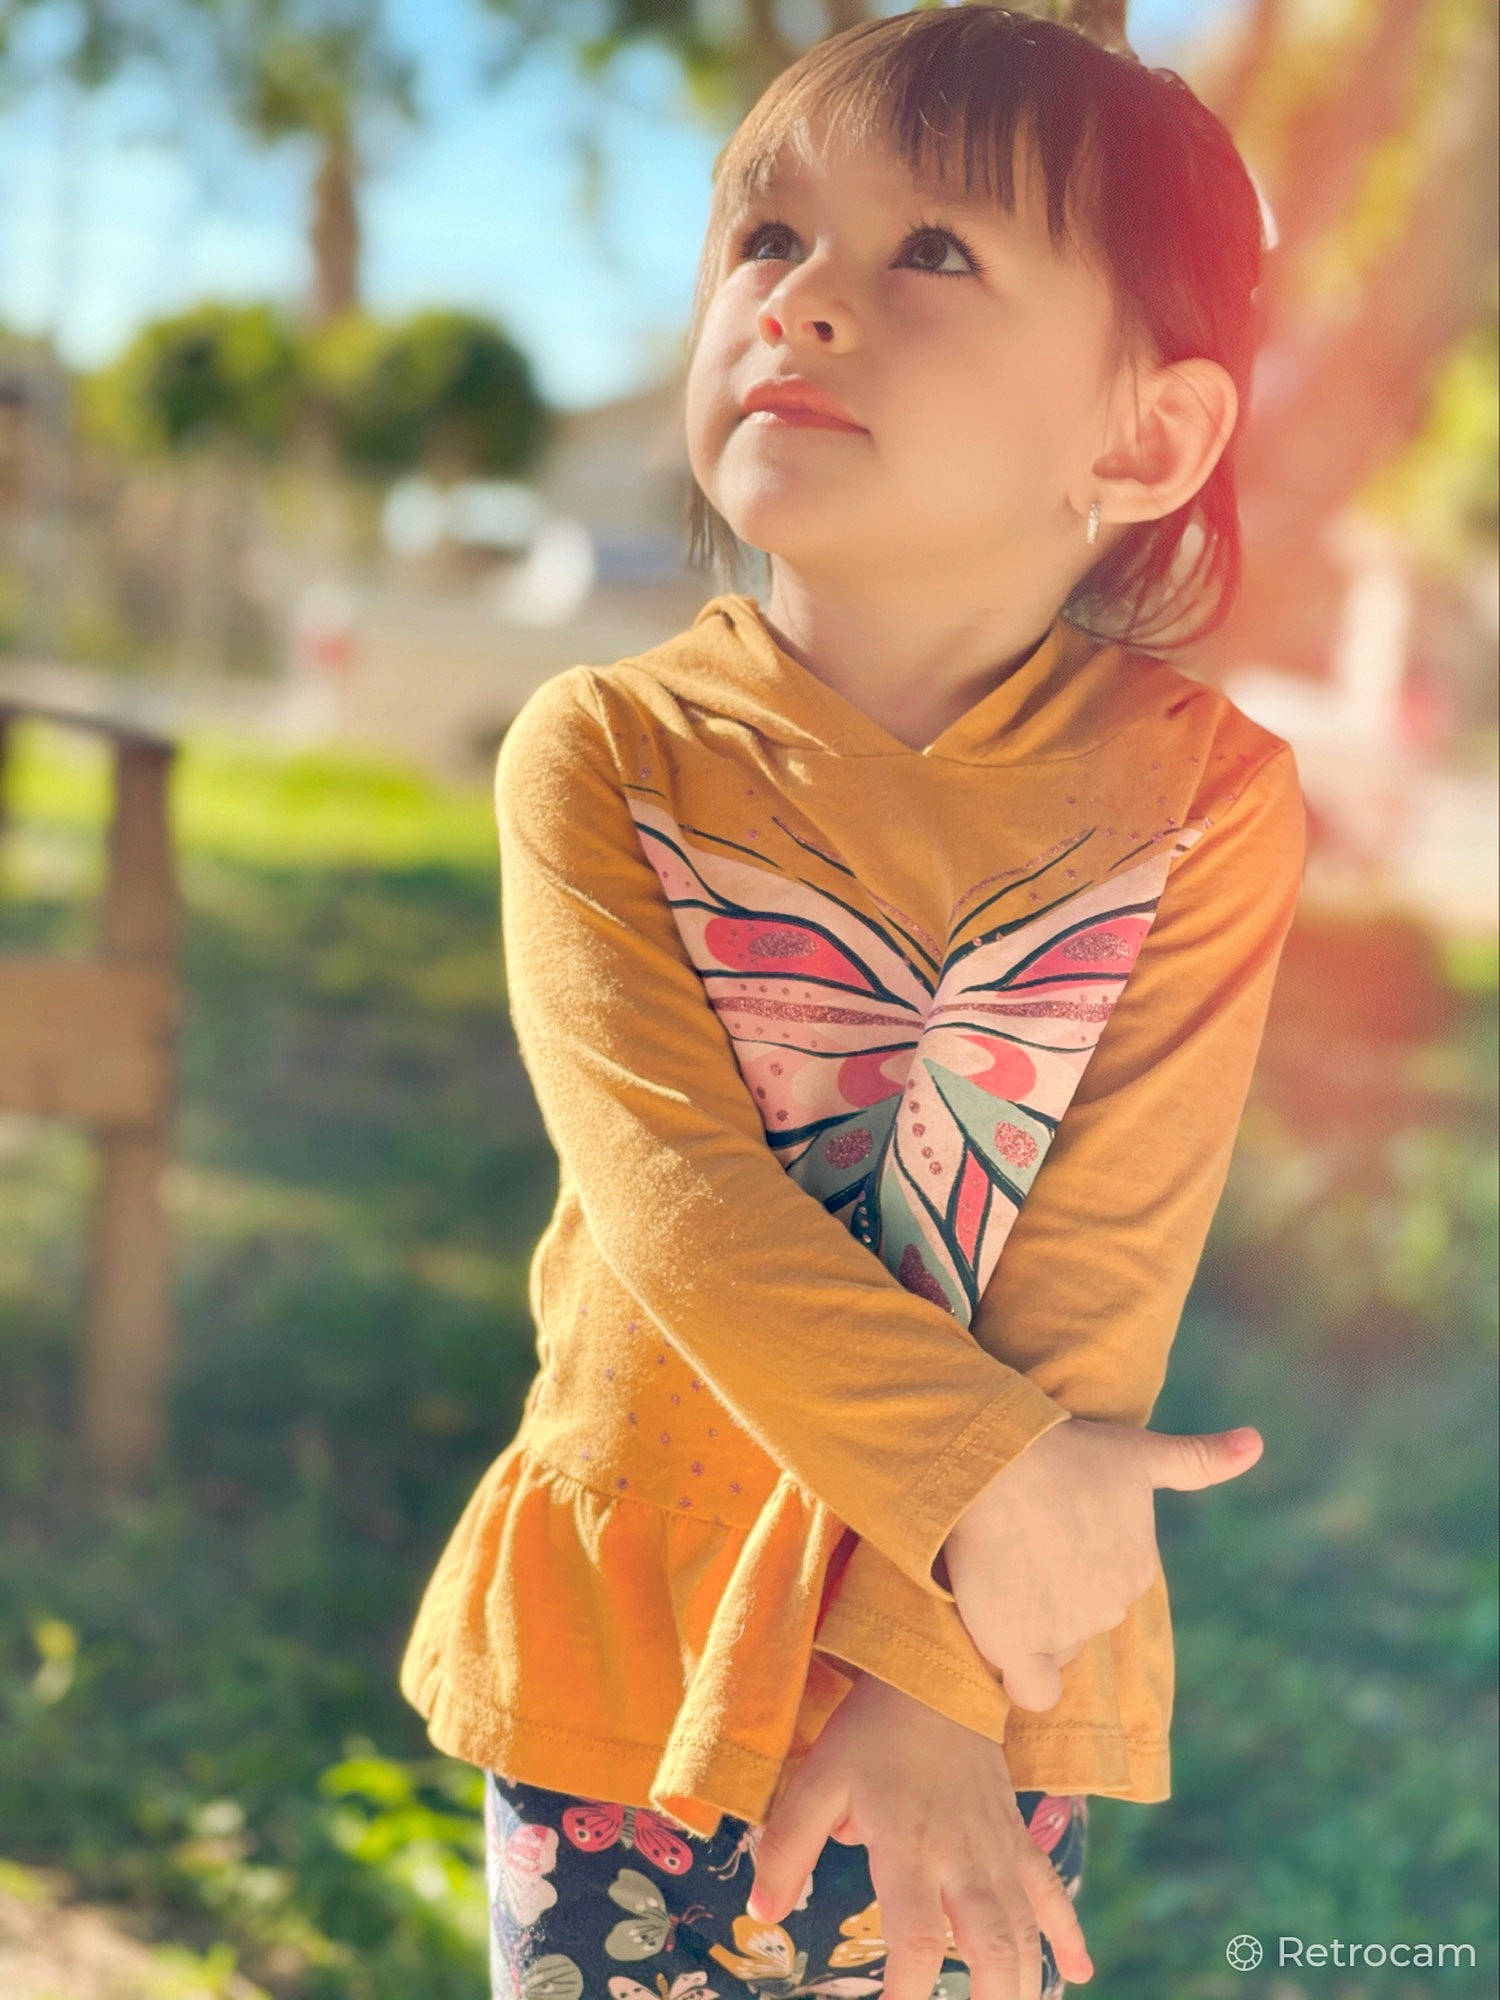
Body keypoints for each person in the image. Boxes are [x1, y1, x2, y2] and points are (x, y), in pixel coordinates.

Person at [399, 10, 1308, 1998]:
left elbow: (1103, 1265)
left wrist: (934, 1681)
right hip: (634, 1648)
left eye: (935, 254)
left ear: (1144, 440)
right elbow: (677, 1202)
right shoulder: (606, 752)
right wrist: (989, 1481)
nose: (804, 303)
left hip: (988, 1647)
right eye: (767, 242)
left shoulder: (1204, 800)